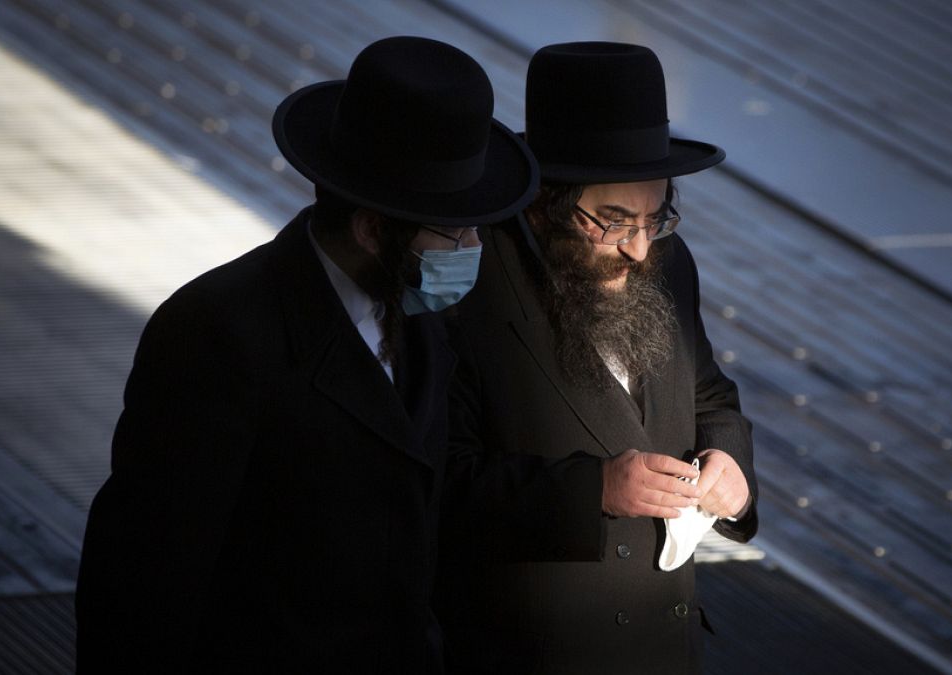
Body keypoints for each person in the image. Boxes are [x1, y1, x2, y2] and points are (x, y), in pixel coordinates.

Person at [75, 36, 538, 673]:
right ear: (373, 229)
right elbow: (144, 578)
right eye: (455, 231)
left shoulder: (423, 314)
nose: (473, 246)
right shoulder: (217, 333)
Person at [436, 42, 758, 674]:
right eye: (611, 222)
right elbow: (436, 484)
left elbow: (710, 395)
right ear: (544, 203)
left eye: (655, 216)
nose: (639, 249)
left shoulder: (670, 263)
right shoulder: (468, 288)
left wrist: (731, 467)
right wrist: (595, 489)